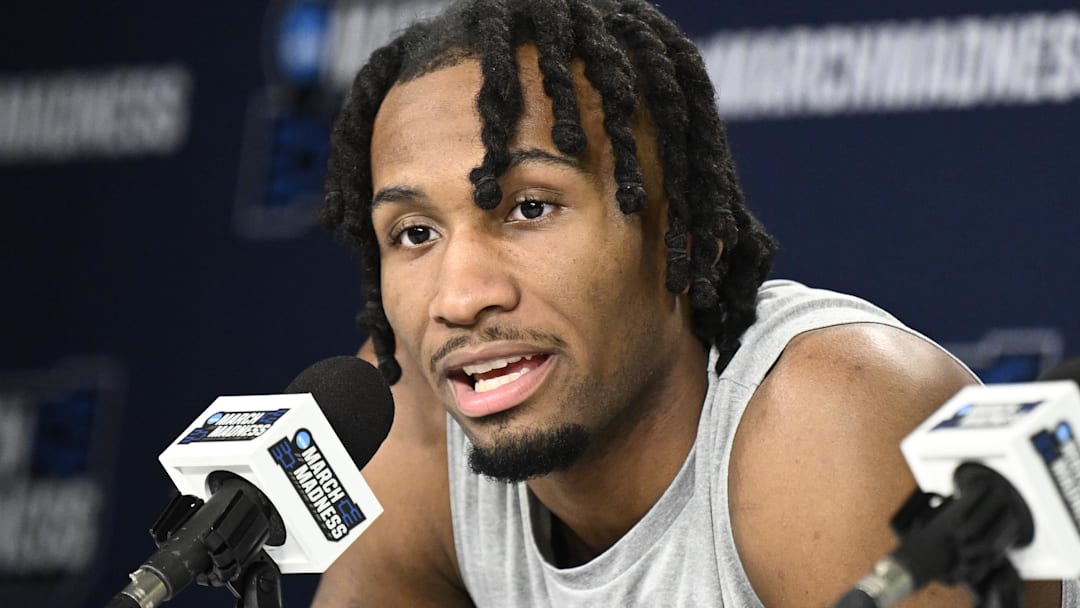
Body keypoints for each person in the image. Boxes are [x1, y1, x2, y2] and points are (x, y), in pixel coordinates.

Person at [313, 0, 1068, 605]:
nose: (460, 297)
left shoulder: (830, 419)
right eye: (414, 233)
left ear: (689, 236)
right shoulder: (409, 412)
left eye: (530, 208)